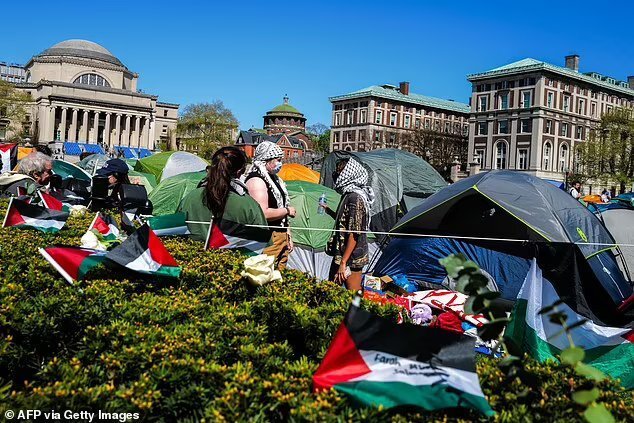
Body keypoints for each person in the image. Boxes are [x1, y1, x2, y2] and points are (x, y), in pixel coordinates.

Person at [178, 146, 268, 242]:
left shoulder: (189, 198)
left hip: (190, 255)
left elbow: (174, 234)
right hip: (235, 255)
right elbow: (263, 244)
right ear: (240, 172)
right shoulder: (249, 205)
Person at [324, 158, 374, 291]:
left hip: (352, 258)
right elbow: (344, 222)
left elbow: (354, 232)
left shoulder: (355, 198)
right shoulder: (347, 194)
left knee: (354, 295)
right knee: (331, 290)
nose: (337, 176)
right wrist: (328, 210)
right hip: (341, 254)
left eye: (339, 172)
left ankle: (361, 312)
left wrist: (344, 262)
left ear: (349, 174)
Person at [244, 141, 296, 269]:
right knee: (265, 273)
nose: (280, 164)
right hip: (268, 237)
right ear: (266, 160)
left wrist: (288, 234)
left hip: (280, 235)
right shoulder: (256, 180)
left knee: (280, 275)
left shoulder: (274, 179)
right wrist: (287, 210)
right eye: (277, 160)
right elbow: (263, 213)